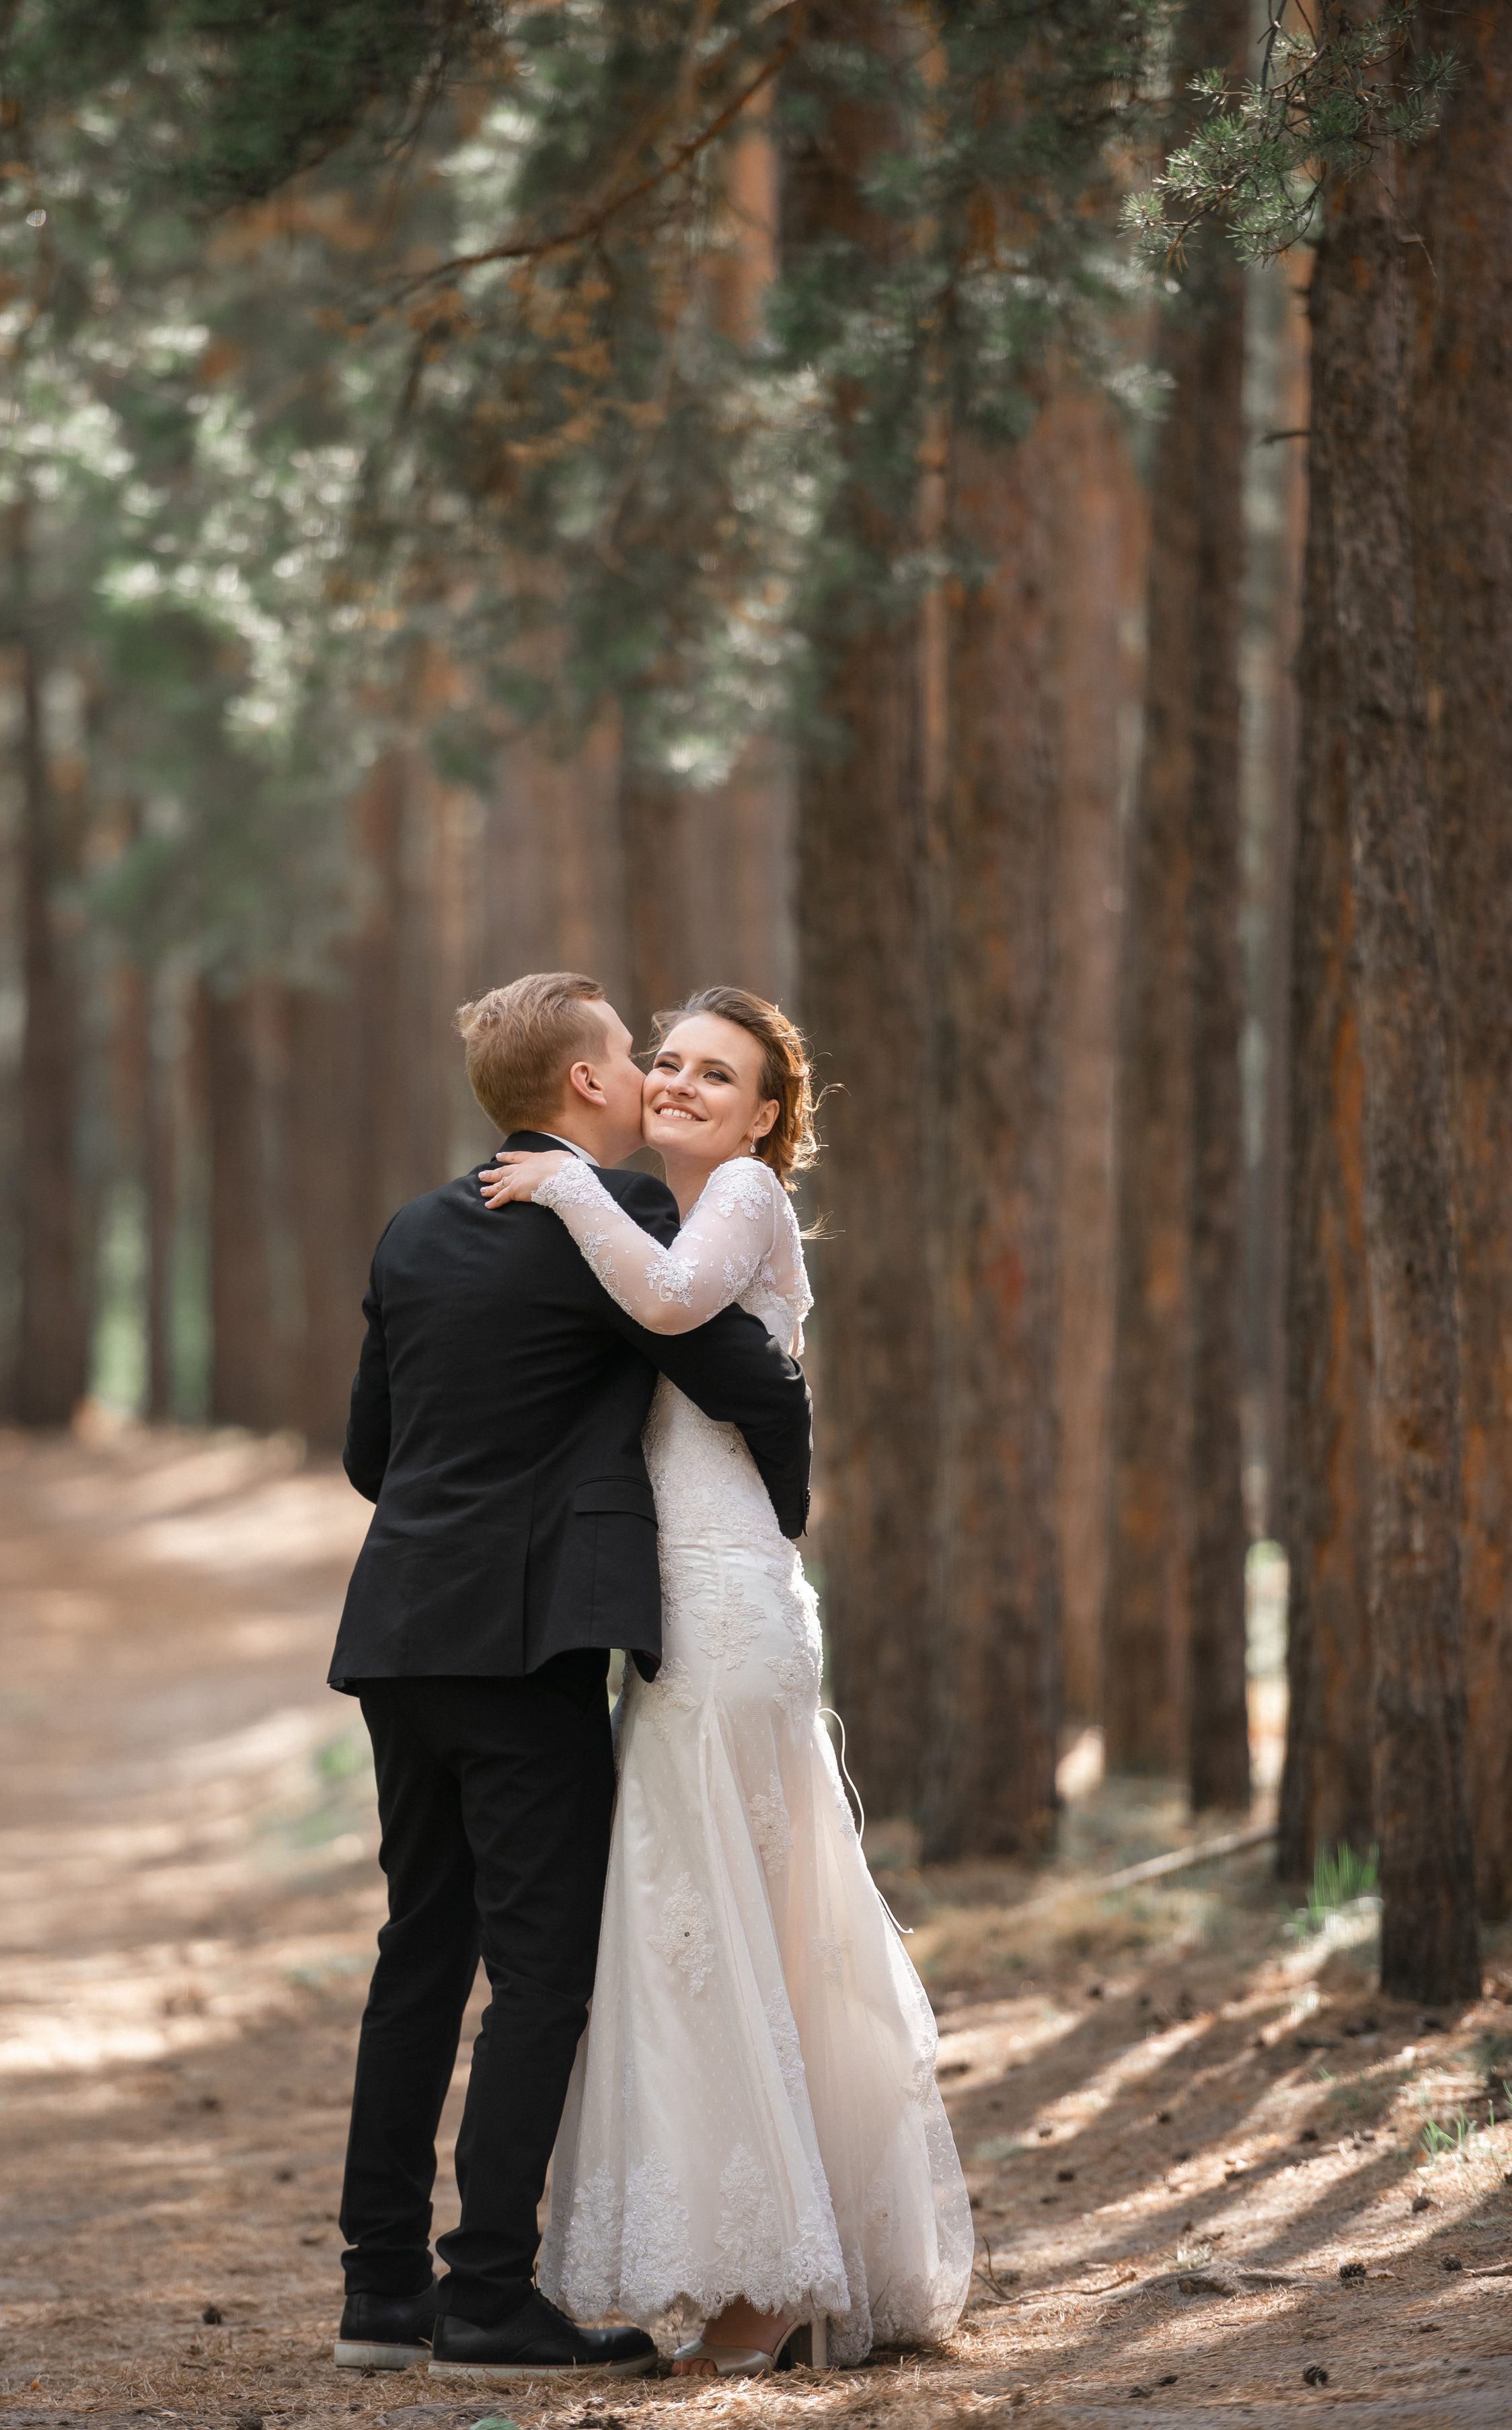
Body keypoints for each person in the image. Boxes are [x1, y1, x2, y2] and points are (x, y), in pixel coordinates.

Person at [326, 971, 812, 2384]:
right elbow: (747, 1376)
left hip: (400, 1632)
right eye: (628, 1052)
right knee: (541, 1974)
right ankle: (487, 2297)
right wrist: (777, 1504)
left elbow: (370, 1454)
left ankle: (379, 2292)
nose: (650, 1072)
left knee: (419, 1953)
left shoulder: (415, 1227)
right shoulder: (623, 1214)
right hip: (526, 1641)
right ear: (588, 1083)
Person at [480, 986, 973, 2374]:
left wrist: (564, 1183)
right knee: (711, 1928)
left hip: (725, 1615)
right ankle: (759, 2255)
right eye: (669, 1061)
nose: (682, 1083)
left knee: (717, 1926)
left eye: (718, 1073)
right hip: (692, 1611)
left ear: (763, 1117)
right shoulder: (671, 1206)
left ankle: (767, 2284)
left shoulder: (740, 1197)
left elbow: (671, 1304)